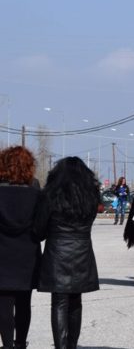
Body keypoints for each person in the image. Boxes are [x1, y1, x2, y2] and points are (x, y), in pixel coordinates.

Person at [35, 157, 101, 349]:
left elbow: (39, 229)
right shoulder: (91, 196)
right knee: (76, 300)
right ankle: (72, 345)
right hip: (82, 250)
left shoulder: (50, 195)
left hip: (57, 252)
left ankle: (61, 346)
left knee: (59, 302)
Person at [0, 147, 41, 349]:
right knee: (24, 303)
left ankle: (7, 344)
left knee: (3, 303)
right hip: (28, 253)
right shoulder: (35, 191)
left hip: (2, 253)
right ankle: (20, 343)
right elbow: (41, 225)